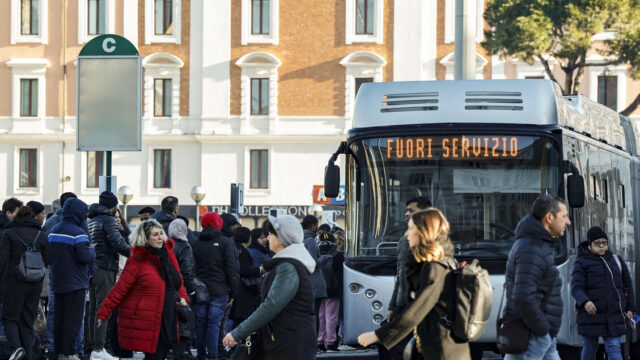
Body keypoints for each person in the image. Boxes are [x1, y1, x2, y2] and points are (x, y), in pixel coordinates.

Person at [357, 208, 470, 359]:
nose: (406, 234)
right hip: (431, 346)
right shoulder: (428, 264)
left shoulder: (436, 267)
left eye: (411, 229)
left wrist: (378, 335)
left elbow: (417, 309)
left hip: (443, 350)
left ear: (424, 231)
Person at [222, 215, 317, 359]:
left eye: (271, 234)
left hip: (289, 343)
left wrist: (238, 332)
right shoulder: (284, 264)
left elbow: (271, 305)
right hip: (285, 340)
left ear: (281, 238)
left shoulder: (288, 267)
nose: (267, 238)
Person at [96, 219, 190, 360]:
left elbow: (178, 280)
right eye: (155, 235)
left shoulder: (168, 254)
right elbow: (120, 289)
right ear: (145, 239)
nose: (160, 238)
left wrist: (184, 298)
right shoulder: (137, 260)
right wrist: (103, 313)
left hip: (168, 314)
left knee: (163, 352)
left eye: (161, 233)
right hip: (147, 317)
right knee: (155, 354)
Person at [501, 194, 568, 360]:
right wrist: (542, 329)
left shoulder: (536, 245)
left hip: (539, 332)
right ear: (549, 217)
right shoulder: (532, 248)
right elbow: (523, 296)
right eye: (564, 216)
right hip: (532, 333)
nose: (568, 222)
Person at [571, 226, 635, 360]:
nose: (601, 246)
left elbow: (627, 287)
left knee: (614, 349)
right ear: (589, 245)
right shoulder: (581, 262)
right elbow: (576, 287)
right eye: (597, 243)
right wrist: (585, 302)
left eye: (604, 242)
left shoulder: (616, 260)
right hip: (591, 316)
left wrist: (630, 309)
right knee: (589, 348)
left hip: (613, 315)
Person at [382, 196, 431, 360]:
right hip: (402, 307)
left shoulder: (432, 241)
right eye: (406, 210)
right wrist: (392, 307)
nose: (406, 214)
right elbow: (400, 276)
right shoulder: (404, 240)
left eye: (411, 210)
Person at [0, 204, 50, 360]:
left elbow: (2, 261)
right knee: (28, 322)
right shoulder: (41, 235)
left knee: (10, 318)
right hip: (35, 284)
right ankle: (28, 356)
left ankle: (16, 348)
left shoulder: (9, 233)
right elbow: (48, 260)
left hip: (14, 282)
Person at [48, 198, 96, 360]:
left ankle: (59, 351)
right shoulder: (78, 232)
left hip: (58, 281)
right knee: (73, 321)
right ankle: (69, 353)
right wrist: (92, 251)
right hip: (76, 283)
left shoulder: (54, 229)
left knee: (59, 319)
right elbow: (85, 257)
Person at [87, 191, 132, 360]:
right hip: (105, 267)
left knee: (93, 308)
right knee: (103, 307)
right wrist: (134, 254)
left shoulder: (92, 219)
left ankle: (94, 348)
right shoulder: (108, 220)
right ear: (113, 206)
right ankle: (99, 349)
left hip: (93, 268)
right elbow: (117, 242)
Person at [192, 212, 239, 360]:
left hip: (201, 290)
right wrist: (233, 293)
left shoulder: (196, 242)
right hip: (220, 289)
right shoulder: (226, 242)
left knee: (201, 323)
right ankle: (212, 356)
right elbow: (232, 269)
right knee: (214, 323)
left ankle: (201, 355)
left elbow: (192, 267)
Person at [168, 219, 197, 360]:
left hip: (168, 288)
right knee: (184, 318)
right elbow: (187, 270)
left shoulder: (166, 245)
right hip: (181, 288)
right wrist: (191, 290)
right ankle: (181, 352)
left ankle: (172, 350)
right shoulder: (185, 247)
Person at [300, 215, 328, 342]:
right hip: (314, 283)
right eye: (316, 225)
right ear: (312, 226)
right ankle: (313, 344)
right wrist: (324, 258)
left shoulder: (300, 239)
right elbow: (312, 262)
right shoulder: (310, 240)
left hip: (304, 282)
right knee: (314, 316)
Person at [316, 232, 345, 352]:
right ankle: (331, 341)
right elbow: (341, 275)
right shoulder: (338, 255)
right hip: (333, 290)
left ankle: (319, 342)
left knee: (321, 316)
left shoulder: (317, 253)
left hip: (319, 289)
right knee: (331, 316)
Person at [229, 227, 261, 328]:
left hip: (234, 288)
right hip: (242, 291)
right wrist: (259, 270)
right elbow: (244, 270)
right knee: (240, 321)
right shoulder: (242, 252)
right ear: (248, 238)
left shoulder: (233, 248)